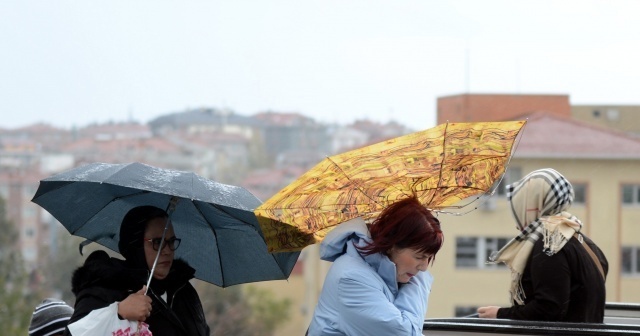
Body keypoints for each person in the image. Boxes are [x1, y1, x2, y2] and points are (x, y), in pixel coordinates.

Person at [477, 168, 608, 322]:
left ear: (531, 205)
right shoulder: (580, 239)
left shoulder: (550, 245)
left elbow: (549, 309)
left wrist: (499, 314)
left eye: (520, 205)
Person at [307, 196, 444, 335]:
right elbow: (405, 333)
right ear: (392, 245)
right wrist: (419, 282)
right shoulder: (351, 278)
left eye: (429, 258)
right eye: (419, 257)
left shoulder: (385, 274)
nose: (424, 268)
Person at [63, 205, 210, 336]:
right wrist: (118, 312)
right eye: (158, 242)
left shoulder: (183, 290)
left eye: (171, 241)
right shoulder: (105, 288)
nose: (167, 251)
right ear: (136, 246)